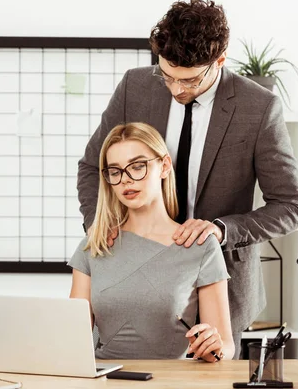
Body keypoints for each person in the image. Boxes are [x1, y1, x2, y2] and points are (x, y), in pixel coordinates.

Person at [76, 0, 298, 359]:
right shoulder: (135, 86)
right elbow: (93, 166)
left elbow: (291, 206)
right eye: (166, 75)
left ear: (220, 60)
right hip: (137, 274)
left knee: (211, 366)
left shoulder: (258, 107)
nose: (176, 90)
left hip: (219, 279)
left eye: (190, 80)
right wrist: (101, 224)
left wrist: (221, 230)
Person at [69, 122, 234, 361]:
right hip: (104, 379)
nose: (126, 180)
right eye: (115, 171)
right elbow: (73, 339)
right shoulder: (94, 246)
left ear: (164, 166)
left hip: (171, 382)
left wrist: (214, 348)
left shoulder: (201, 246)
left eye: (137, 167)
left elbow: (227, 347)